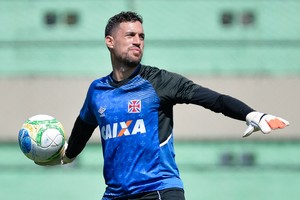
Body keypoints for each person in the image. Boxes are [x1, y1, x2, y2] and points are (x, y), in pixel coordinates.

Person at [38, 11, 289, 200]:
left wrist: (251, 113)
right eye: (130, 35)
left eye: (142, 36)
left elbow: (213, 99)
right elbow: (83, 126)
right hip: (115, 194)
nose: (138, 41)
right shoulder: (97, 91)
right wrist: (66, 156)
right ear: (110, 42)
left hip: (158, 190)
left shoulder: (158, 82)